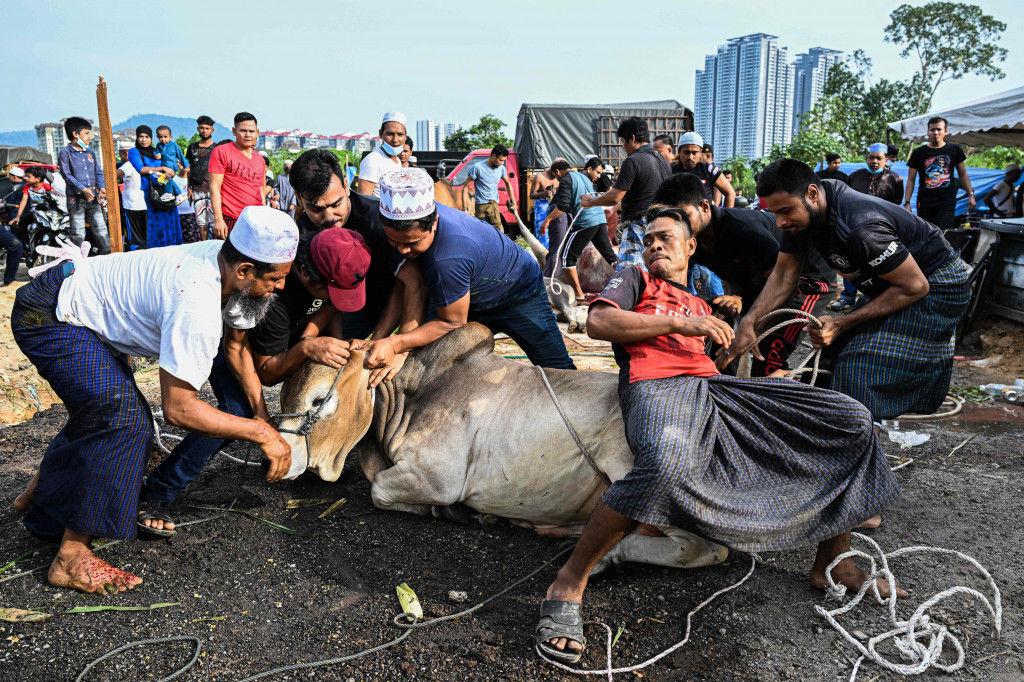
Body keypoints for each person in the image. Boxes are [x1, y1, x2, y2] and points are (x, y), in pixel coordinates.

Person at [536, 206, 903, 664]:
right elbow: (599, 324)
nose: (654, 245)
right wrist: (680, 323)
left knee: (848, 417)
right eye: (649, 239)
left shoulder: (701, 294)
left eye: (665, 238)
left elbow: (722, 355)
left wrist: (734, 327)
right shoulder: (634, 278)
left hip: (715, 387)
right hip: (658, 384)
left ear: (690, 247)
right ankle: (569, 582)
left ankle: (834, 564)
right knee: (665, 465)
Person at [11, 205, 297, 592]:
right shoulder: (197, 300)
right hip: (50, 315)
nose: (281, 287)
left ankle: (42, 508)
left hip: (75, 304)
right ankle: (70, 558)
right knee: (126, 422)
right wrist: (262, 433)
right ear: (244, 271)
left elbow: (232, 344)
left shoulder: (219, 258)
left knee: (104, 410)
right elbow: (179, 409)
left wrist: (258, 412)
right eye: (277, 278)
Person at [139, 226, 362, 534]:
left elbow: (331, 306)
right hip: (212, 335)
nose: (279, 284)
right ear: (307, 275)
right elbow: (242, 353)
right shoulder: (263, 289)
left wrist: (320, 337)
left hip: (240, 334)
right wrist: (260, 414)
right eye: (330, 290)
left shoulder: (297, 262)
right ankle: (160, 488)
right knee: (237, 410)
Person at [722, 159, 970, 422]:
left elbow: (914, 286)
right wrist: (749, 323)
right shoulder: (805, 211)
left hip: (936, 284)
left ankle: (859, 447)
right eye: (775, 213)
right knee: (830, 359)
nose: (780, 222)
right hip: (893, 284)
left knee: (857, 369)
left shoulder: (860, 227)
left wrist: (841, 322)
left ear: (812, 194)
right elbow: (784, 274)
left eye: (785, 211)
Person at [361, 168, 575, 371]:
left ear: (434, 222)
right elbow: (402, 287)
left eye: (413, 242)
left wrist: (396, 344)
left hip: (518, 291)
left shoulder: (448, 255)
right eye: (394, 242)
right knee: (427, 365)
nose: (403, 250)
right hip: (465, 292)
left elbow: (452, 321)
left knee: (558, 369)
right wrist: (378, 341)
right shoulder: (409, 229)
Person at [651, 172, 832, 376]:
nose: (680, 227)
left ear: (703, 207)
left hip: (805, 281)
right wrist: (735, 298)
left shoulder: (743, 229)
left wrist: (753, 327)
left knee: (768, 354)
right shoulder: (694, 241)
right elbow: (732, 277)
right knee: (722, 335)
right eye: (674, 220)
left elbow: (782, 282)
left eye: (685, 217)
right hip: (764, 283)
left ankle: (795, 390)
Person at [288, 148, 427, 343]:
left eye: (336, 204)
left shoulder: (380, 221)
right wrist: (312, 338)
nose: (329, 217)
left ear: (346, 185)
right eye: (316, 208)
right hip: (335, 302)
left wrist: (381, 342)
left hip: (384, 296)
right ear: (298, 197)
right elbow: (325, 295)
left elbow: (413, 284)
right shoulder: (302, 234)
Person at [583, 117, 671, 270]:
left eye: (624, 141)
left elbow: (615, 196)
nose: (623, 147)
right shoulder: (663, 161)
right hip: (662, 224)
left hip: (639, 225)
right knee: (655, 269)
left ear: (633, 138)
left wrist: (591, 202)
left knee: (629, 273)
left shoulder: (633, 161)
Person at [837, 143, 907, 311]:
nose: (874, 161)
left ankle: (875, 298)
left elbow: (896, 203)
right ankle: (848, 297)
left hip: (880, 230)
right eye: (871, 157)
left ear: (886, 160)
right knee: (851, 263)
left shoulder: (895, 179)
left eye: (879, 158)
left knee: (879, 262)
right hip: (854, 228)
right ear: (866, 158)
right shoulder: (854, 176)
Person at [541, 158, 617, 298]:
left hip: (585, 221)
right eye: (598, 172)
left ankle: (579, 295)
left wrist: (547, 221)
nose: (599, 176)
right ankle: (627, 284)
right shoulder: (584, 178)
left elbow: (562, 206)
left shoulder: (566, 180)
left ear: (557, 171)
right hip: (599, 220)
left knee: (566, 259)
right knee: (610, 257)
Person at [905, 117, 975, 230]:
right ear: (928, 132)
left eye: (939, 129)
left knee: (944, 234)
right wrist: (907, 203)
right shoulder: (919, 153)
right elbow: (911, 179)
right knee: (926, 234)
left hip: (946, 202)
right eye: (932, 130)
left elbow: (963, 174)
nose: (935, 133)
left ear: (945, 131)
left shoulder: (954, 150)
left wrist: (971, 195)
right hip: (925, 202)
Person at [57, 117, 110, 255]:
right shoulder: (65, 152)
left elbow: (98, 172)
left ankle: (106, 256)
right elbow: (66, 175)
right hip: (76, 198)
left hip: (93, 197)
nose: (89, 137)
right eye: (86, 133)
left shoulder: (90, 152)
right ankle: (77, 260)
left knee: (101, 228)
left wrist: (102, 186)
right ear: (75, 134)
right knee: (78, 231)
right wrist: (83, 189)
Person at [209, 112, 266, 238]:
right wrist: (218, 220)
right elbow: (214, 188)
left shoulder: (260, 160)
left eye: (251, 131)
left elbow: (261, 190)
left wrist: (264, 216)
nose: (248, 135)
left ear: (257, 132)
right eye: (243, 130)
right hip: (231, 218)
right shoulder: (221, 152)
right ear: (234, 131)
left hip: (256, 220)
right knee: (230, 257)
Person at [128, 126, 182, 248]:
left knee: (171, 220)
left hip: (167, 189)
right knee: (156, 222)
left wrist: (172, 170)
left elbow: (170, 164)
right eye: (140, 136)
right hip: (152, 192)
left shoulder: (157, 151)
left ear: (151, 138)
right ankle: (158, 251)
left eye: (147, 137)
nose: (143, 139)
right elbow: (141, 169)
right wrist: (162, 168)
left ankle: (174, 249)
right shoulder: (134, 151)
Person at [671, 131, 735, 208]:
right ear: (679, 151)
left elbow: (730, 193)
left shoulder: (708, 170)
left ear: (700, 152)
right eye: (686, 152)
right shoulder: (670, 170)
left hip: (704, 219)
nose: (690, 157)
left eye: (694, 153)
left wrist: (725, 218)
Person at [462, 144, 517, 233]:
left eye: (504, 161)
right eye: (501, 160)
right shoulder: (477, 167)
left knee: (499, 234)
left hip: (493, 205)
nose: (502, 163)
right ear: (494, 156)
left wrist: (513, 201)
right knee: (482, 233)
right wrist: (465, 210)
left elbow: (508, 183)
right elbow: (465, 188)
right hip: (480, 206)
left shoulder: (501, 169)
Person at [357, 111, 407, 198]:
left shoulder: (397, 160)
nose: (395, 139)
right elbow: (363, 202)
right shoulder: (373, 161)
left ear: (405, 136)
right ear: (381, 134)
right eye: (390, 134)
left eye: (400, 134)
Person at [534, 160, 570, 274]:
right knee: (543, 237)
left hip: (557, 209)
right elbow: (531, 194)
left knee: (557, 240)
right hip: (542, 208)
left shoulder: (561, 178)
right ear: (555, 170)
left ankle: (553, 267)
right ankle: (544, 265)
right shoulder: (539, 177)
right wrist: (543, 194)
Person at [186, 115, 218, 240]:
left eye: (207, 128)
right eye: (201, 128)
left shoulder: (217, 148)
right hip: (197, 189)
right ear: (198, 129)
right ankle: (203, 245)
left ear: (212, 130)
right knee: (201, 221)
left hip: (213, 189)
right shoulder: (192, 147)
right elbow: (189, 169)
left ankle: (216, 248)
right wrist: (188, 187)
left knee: (215, 221)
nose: (204, 131)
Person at [115, 140, 148, 249]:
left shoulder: (129, 164)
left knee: (134, 237)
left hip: (132, 205)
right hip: (144, 203)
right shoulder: (142, 162)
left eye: (120, 155)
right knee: (145, 236)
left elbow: (114, 175)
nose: (121, 158)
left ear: (126, 153)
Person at [154, 126, 187, 198]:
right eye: (160, 137)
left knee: (166, 177)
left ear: (170, 137)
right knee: (166, 179)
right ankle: (179, 194)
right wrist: (156, 155)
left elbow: (180, 155)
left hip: (172, 164)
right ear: (157, 137)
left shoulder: (174, 145)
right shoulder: (159, 145)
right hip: (164, 165)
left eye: (165, 137)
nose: (163, 139)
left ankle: (168, 193)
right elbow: (156, 151)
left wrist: (186, 165)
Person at [175, 168, 201, 243]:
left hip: (191, 213)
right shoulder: (173, 178)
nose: (184, 167)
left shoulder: (194, 179)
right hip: (177, 213)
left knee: (192, 240)